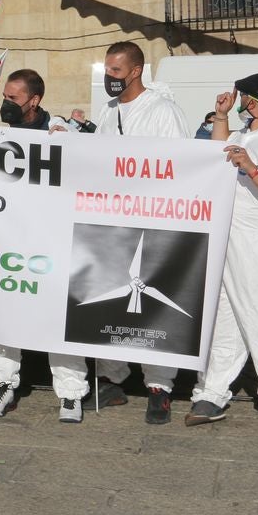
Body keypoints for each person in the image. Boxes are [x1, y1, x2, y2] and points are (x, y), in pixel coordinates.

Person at [56, 41, 191, 425]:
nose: (110, 79)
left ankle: (159, 387)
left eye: (116, 72)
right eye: (107, 72)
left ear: (135, 71)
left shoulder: (163, 112)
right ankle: (111, 377)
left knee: (153, 308)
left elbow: (180, 166)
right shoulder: (109, 111)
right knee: (109, 301)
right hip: (113, 223)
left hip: (153, 223)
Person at [183, 73, 258, 437]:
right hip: (227, 235)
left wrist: (252, 168)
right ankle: (213, 391)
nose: (238, 103)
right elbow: (218, 159)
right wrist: (220, 118)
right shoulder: (244, 133)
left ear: (252, 101)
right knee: (222, 319)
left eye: (242, 98)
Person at [0, 69, 87, 424]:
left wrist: (68, 141)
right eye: (5, 97)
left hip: (52, 241)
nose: (6, 104)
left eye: (13, 99)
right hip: (9, 239)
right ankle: (1, 384)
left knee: (60, 317)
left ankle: (71, 393)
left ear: (34, 101)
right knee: (4, 314)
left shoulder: (57, 131)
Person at [0, 69, 67, 131]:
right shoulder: (3, 131)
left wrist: (66, 138)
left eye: (12, 98)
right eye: (5, 96)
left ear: (34, 101)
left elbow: (76, 141)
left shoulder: (57, 127)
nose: (6, 102)